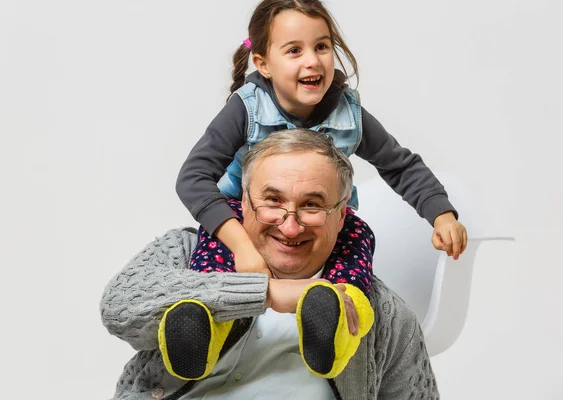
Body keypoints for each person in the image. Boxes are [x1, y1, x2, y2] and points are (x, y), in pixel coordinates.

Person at [174, 0, 467, 381]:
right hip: (248, 219)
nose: (312, 61)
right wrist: (241, 246)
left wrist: (441, 212)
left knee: (357, 235)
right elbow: (192, 177)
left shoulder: (348, 114)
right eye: (294, 50)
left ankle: (332, 322)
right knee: (211, 256)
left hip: (321, 218)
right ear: (262, 63)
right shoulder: (246, 109)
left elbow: (400, 164)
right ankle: (201, 330)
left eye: (322, 46)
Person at [100, 129, 440, 399]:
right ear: (243, 204)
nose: (290, 227)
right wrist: (268, 292)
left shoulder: (383, 314)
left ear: (341, 217)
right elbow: (118, 308)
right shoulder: (186, 251)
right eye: (272, 201)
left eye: (312, 205)